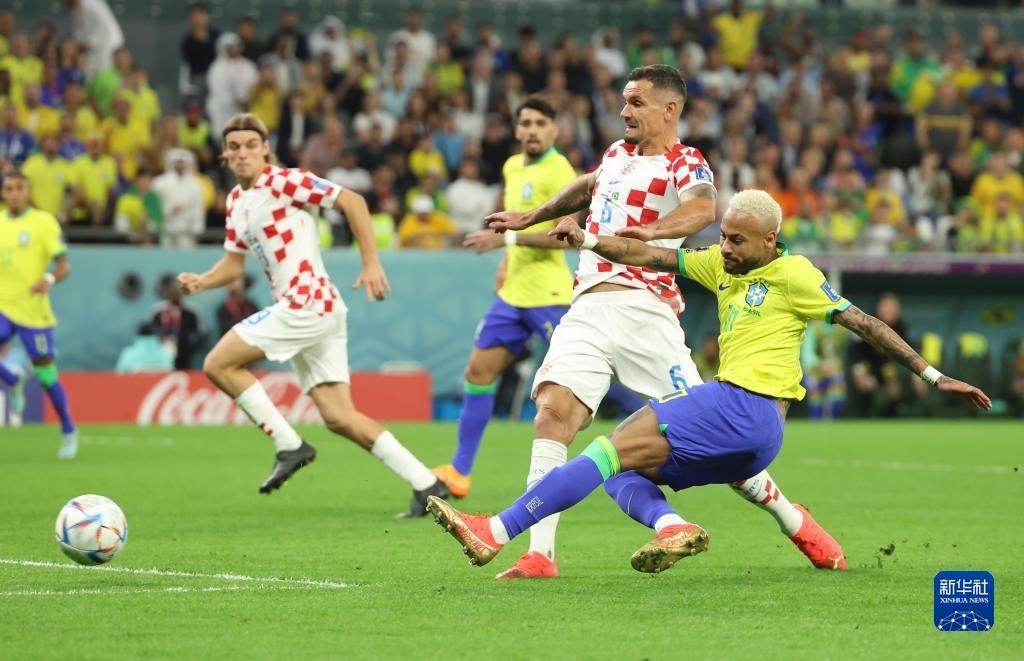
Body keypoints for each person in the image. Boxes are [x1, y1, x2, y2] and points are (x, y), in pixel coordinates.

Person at [427, 189, 991, 574]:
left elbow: (864, 323)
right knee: (620, 477)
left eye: (738, 241)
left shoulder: (795, 273)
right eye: (723, 236)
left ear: (770, 240)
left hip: (745, 406)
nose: (726, 248)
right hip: (752, 440)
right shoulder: (719, 266)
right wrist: (589, 241)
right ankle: (685, 527)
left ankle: (495, 531)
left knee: (603, 451)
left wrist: (933, 375)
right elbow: (646, 255)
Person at [477, 64, 720, 579]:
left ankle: (793, 519)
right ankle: (539, 555)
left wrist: (650, 232)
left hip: (646, 310)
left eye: (635, 102)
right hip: (587, 307)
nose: (624, 110)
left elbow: (702, 210)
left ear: (669, 110)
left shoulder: (686, 160)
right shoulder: (616, 154)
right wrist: (530, 217)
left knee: (710, 435)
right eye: (624, 101)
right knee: (551, 415)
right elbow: (588, 185)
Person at [176, 113, 449, 515]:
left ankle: (289, 444)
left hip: (307, 301)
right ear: (224, 154)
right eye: (234, 147)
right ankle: (428, 483)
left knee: (218, 363)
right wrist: (202, 282)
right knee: (340, 417)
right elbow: (234, 265)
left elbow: (353, 201)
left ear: (265, 148)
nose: (242, 153)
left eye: (251, 145)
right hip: (318, 310)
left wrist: (371, 262)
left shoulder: (284, 180)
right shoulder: (235, 201)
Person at [431, 96, 578, 500]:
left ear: (554, 130)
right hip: (513, 295)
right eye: (526, 123)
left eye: (540, 123)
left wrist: (505, 241)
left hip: (550, 294)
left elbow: (565, 237)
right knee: (478, 373)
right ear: (517, 130)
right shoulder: (513, 166)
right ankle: (460, 471)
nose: (532, 130)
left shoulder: (560, 170)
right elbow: (515, 221)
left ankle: (661, 431)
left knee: (590, 379)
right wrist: (505, 262)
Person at [0, 171, 78, 458]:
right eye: (9, 189)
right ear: (3, 193)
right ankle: (12, 379)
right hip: (3, 306)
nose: (14, 194)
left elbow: (64, 265)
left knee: (46, 376)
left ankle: (68, 430)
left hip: (33, 311)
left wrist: (49, 278)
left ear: (28, 192)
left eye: (19, 188)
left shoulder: (43, 222)